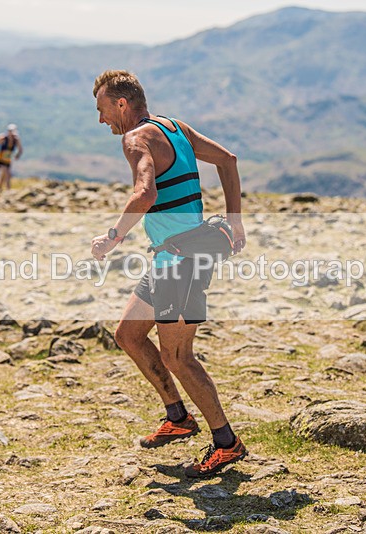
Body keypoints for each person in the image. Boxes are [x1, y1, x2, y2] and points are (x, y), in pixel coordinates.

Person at [89, 70, 248, 478]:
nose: (102, 119)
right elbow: (227, 161)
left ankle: (227, 443)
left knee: (178, 356)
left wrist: (113, 237)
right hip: (167, 258)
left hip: (182, 261)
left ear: (121, 104)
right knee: (127, 334)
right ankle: (178, 417)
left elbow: (144, 193)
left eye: (103, 109)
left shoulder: (136, 138)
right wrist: (235, 221)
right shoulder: (174, 127)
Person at [0, 124, 22, 191]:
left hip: (8, 158)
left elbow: (20, 149)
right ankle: (8, 189)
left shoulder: (16, 139)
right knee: (6, 172)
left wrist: (17, 155)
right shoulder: (3, 137)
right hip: (1, 156)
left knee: (4, 173)